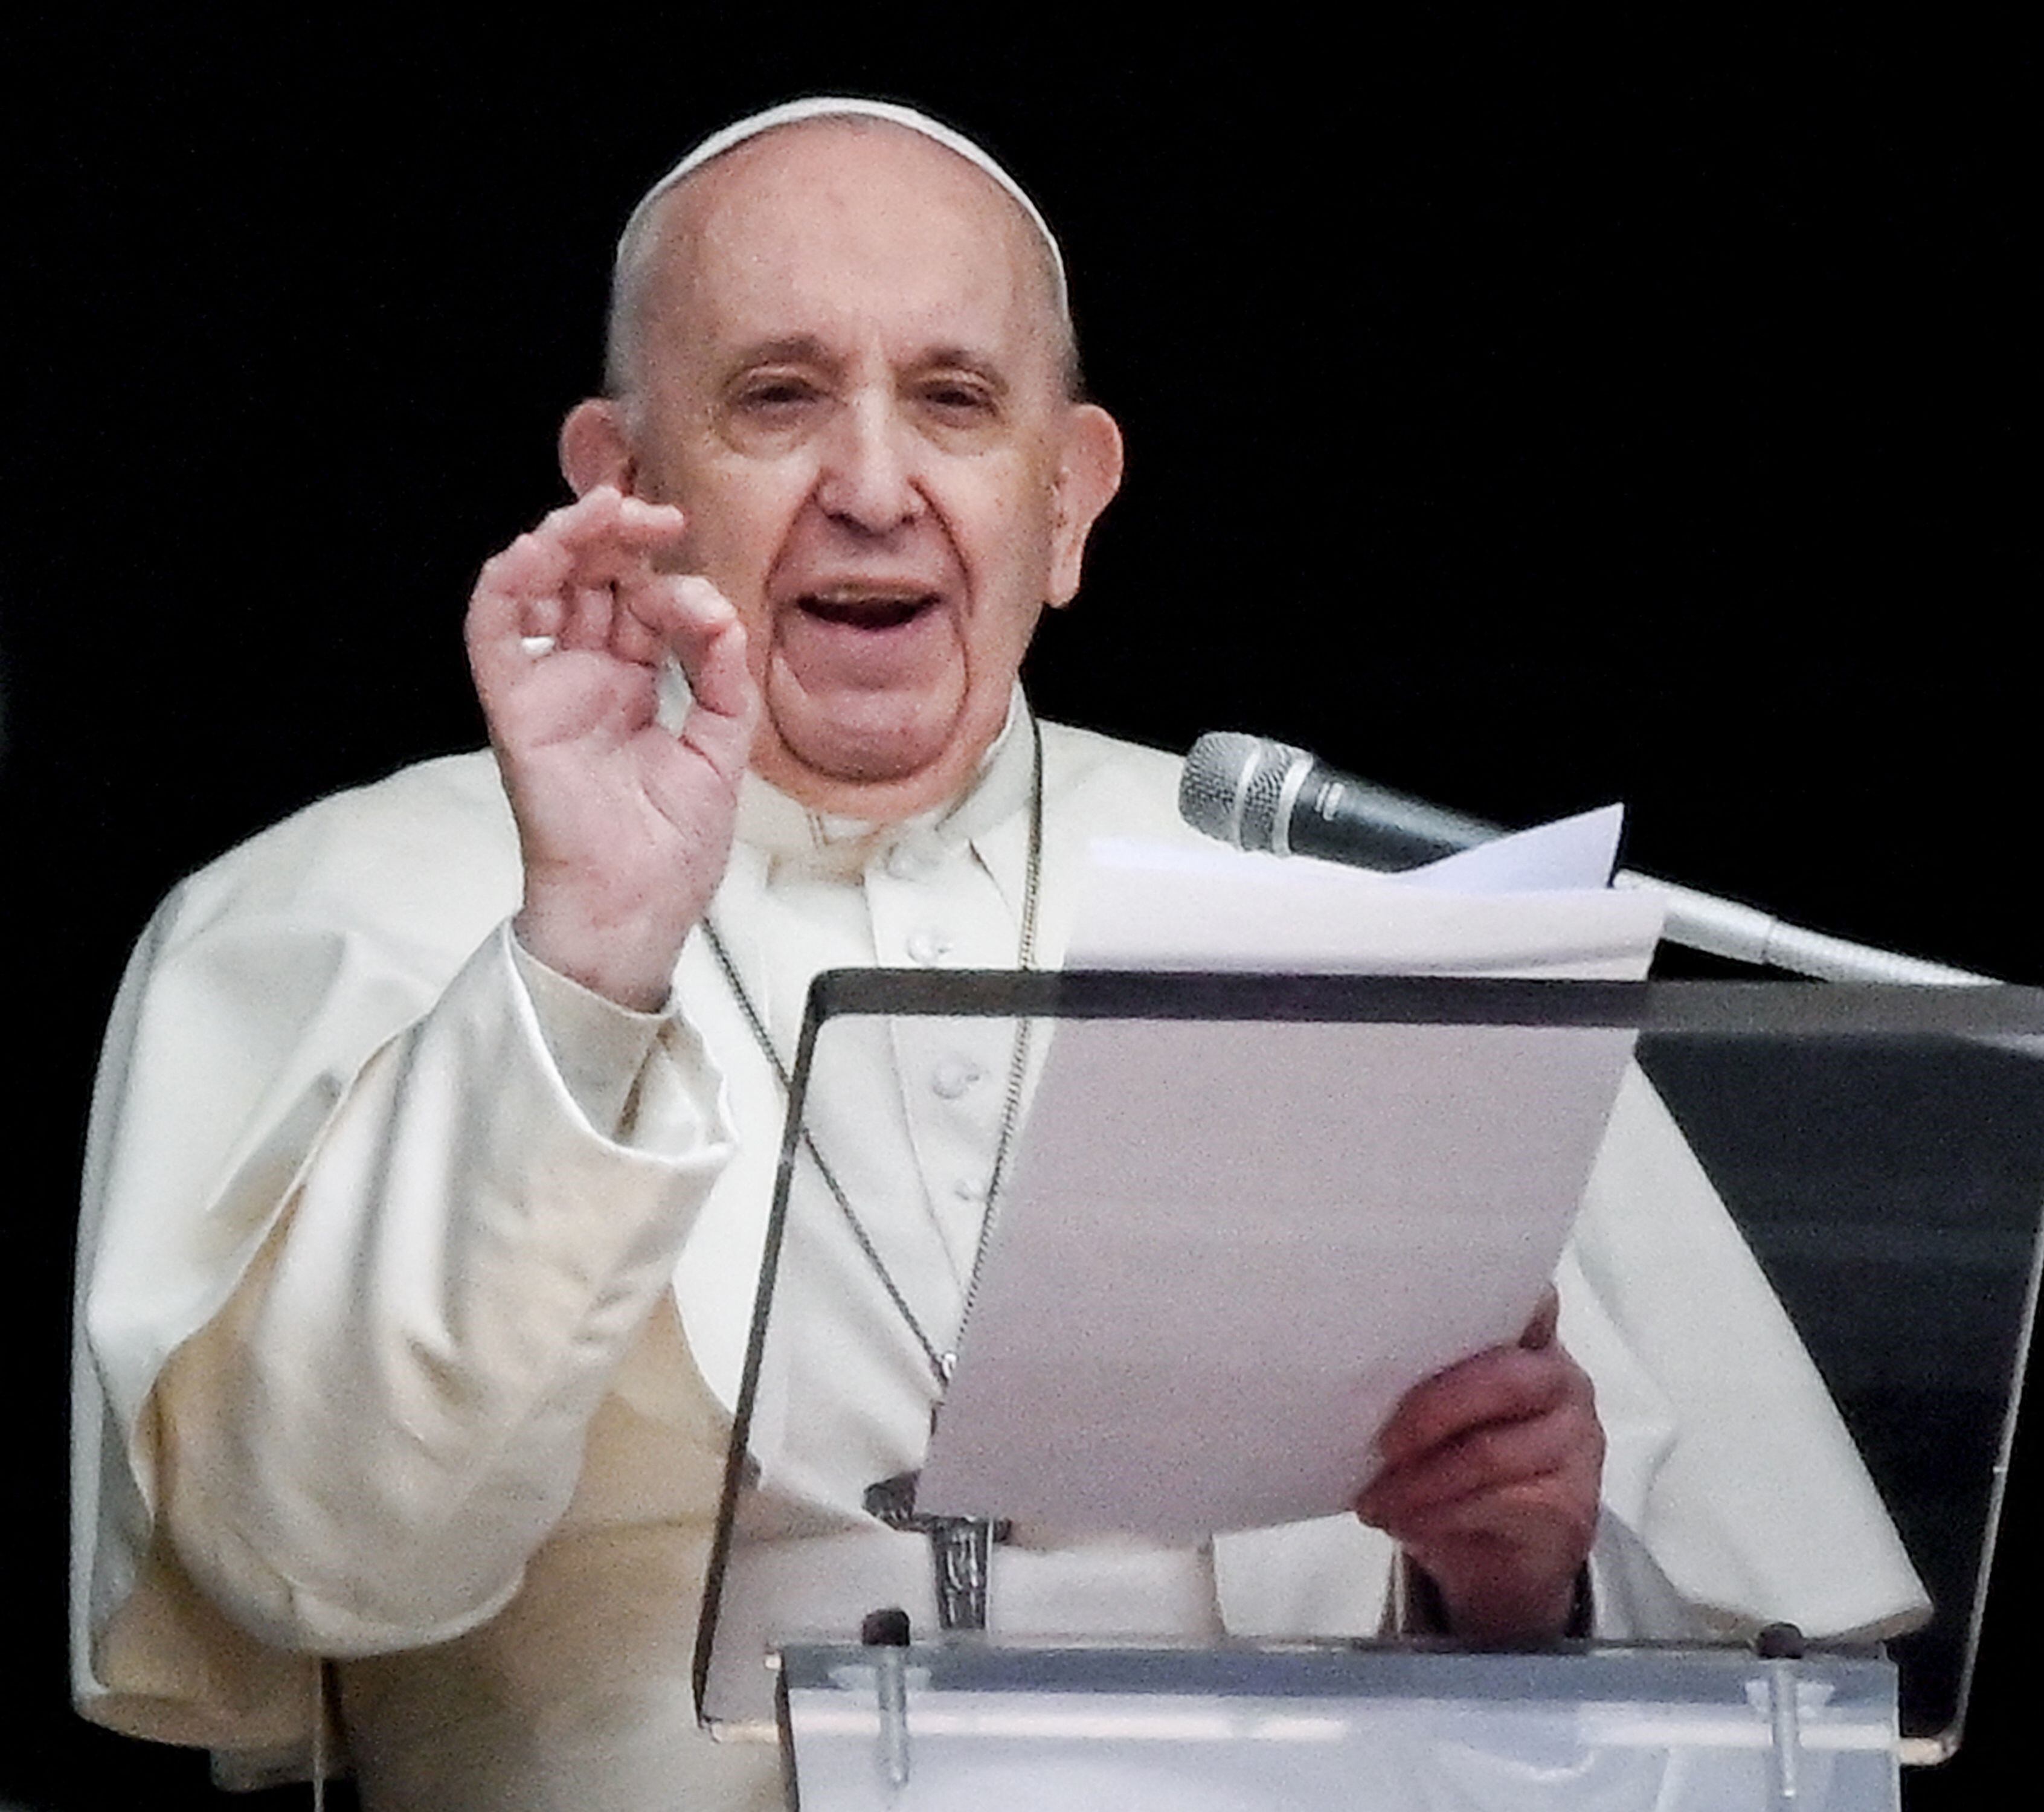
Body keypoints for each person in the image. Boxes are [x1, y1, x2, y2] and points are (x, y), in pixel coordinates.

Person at [70, 99, 1923, 1810]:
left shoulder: (1365, 916)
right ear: (619, 480)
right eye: (780, 395)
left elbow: (1744, 1706)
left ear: (1068, 497)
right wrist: (583, 959)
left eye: (955, 401)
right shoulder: (322, 909)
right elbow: (314, 1561)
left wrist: (1507, 1584)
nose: (875, 485)